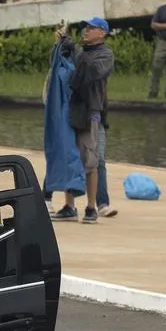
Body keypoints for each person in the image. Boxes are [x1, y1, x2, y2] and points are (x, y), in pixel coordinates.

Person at [51, 18, 114, 225]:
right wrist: (61, 46)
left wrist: (76, 50)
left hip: (89, 112)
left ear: (102, 33)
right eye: (85, 27)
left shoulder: (105, 54)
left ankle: (91, 207)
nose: (86, 31)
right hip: (69, 110)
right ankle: (69, 206)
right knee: (70, 157)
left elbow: (93, 73)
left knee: (90, 162)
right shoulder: (79, 51)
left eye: (91, 28)